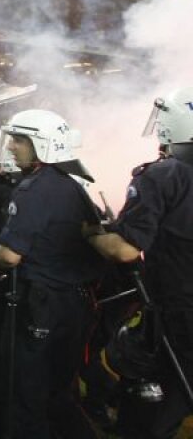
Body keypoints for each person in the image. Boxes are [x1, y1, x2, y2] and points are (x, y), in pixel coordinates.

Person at [0, 109, 106, 439]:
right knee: (60, 389)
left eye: (19, 141)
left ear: (42, 145)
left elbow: (10, 255)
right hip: (75, 303)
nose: (11, 147)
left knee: (28, 391)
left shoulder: (33, 190)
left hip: (40, 303)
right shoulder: (73, 186)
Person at [86, 87, 193, 439]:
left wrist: (88, 231)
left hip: (178, 318)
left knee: (148, 419)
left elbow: (124, 250)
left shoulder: (166, 175)